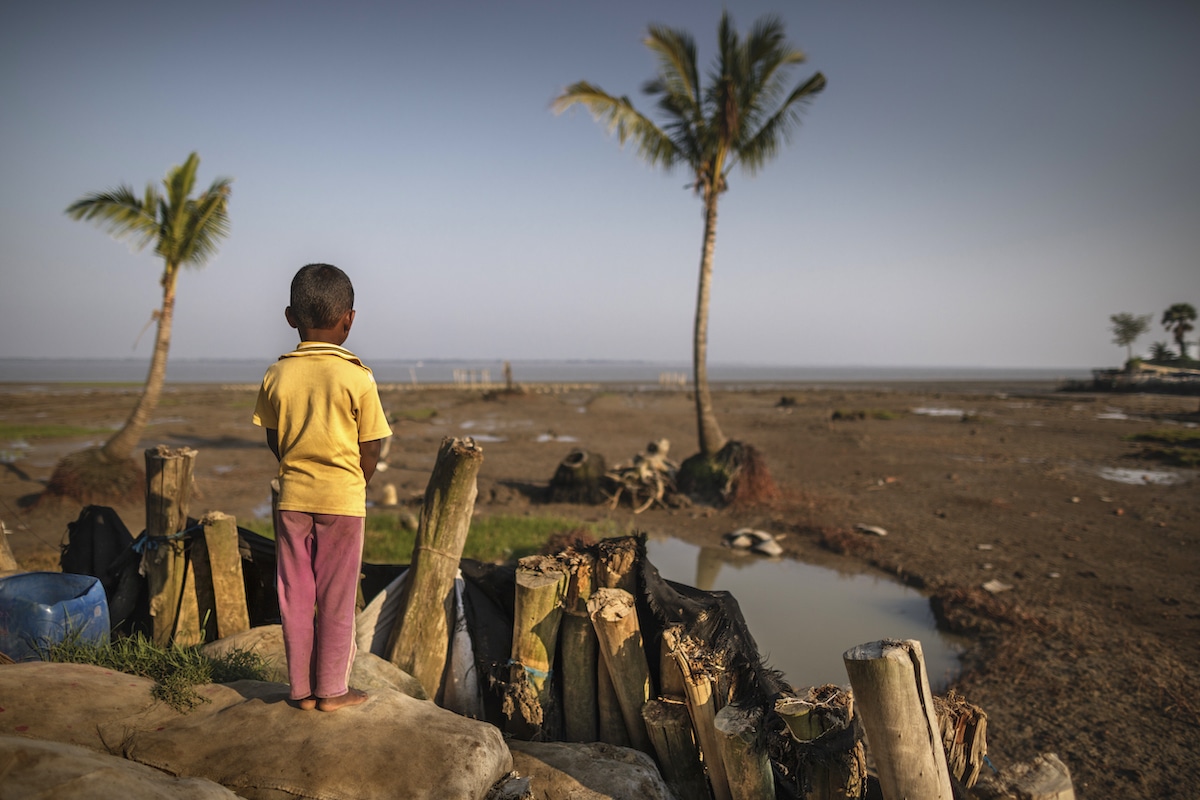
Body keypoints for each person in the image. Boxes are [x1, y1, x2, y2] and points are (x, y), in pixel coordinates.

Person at [252, 263, 393, 712]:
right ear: (349, 319)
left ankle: (300, 691)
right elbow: (370, 445)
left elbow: (275, 438)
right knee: (337, 595)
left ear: (290, 317)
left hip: (292, 498)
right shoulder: (358, 376)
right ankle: (332, 690)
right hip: (343, 501)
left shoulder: (277, 374)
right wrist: (354, 481)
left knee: (294, 594)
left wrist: (297, 467)